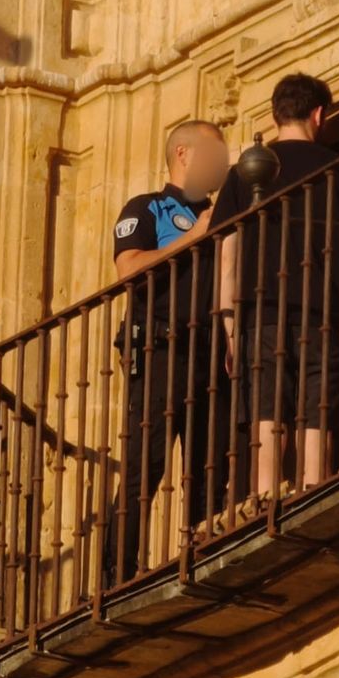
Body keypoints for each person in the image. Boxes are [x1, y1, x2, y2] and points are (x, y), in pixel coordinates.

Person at [212, 74, 339, 505]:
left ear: (276, 114)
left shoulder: (244, 173)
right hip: (320, 315)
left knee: (267, 418)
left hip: (259, 316)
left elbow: (228, 256)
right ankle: (313, 494)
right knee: (316, 419)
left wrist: (231, 329)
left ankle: (265, 501)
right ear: (318, 114)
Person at [105, 119, 230, 588]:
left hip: (209, 349)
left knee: (210, 458)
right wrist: (193, 237)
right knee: (148, 457)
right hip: (159, 343)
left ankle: (205, 549)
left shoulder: (220, 213)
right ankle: (116, 570)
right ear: (184, 154)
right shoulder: (148, 207)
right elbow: (129, 269)